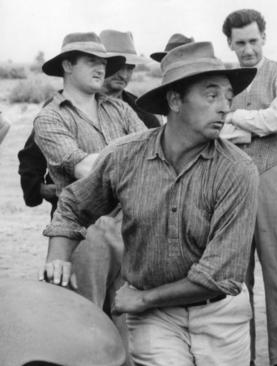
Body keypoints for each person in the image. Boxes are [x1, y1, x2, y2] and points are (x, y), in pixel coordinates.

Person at [39, 41, 259, 365]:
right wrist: (58, 256)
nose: (225, 107)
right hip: (155, 320)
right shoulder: (125, 155)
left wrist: (142, 298)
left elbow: (218, 276)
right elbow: (73, 204)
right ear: (174, 100)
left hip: (220, 316)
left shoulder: (238, 171)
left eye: (228, 96)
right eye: (212, 96)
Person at [32, 32, 146, 364]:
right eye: (91, 61)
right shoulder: (50, 118)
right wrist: (131, 161)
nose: (101, 69)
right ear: (67, 65)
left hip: (130, 226)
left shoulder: (120, 109)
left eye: (104, 62)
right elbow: (86, 170)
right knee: (85, 322)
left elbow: (154, 154)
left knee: (128, 320)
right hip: (84, 232)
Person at [222, 9, 277, 366]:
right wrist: (258, 125)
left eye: (254, 41)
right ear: (230, 44)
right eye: (240, 43)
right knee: (237, 278)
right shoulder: (224, 81)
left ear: (264, 38)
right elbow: (215, 129)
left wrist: (236, 120)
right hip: (232, 181)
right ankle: (244, 358)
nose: (248, 49)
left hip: (274, 175)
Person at [99, 29, 161, 128]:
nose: (124, 75)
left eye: (130, 68)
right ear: (99, 65)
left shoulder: (144, 114)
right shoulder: (73, 106)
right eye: (118, 66)